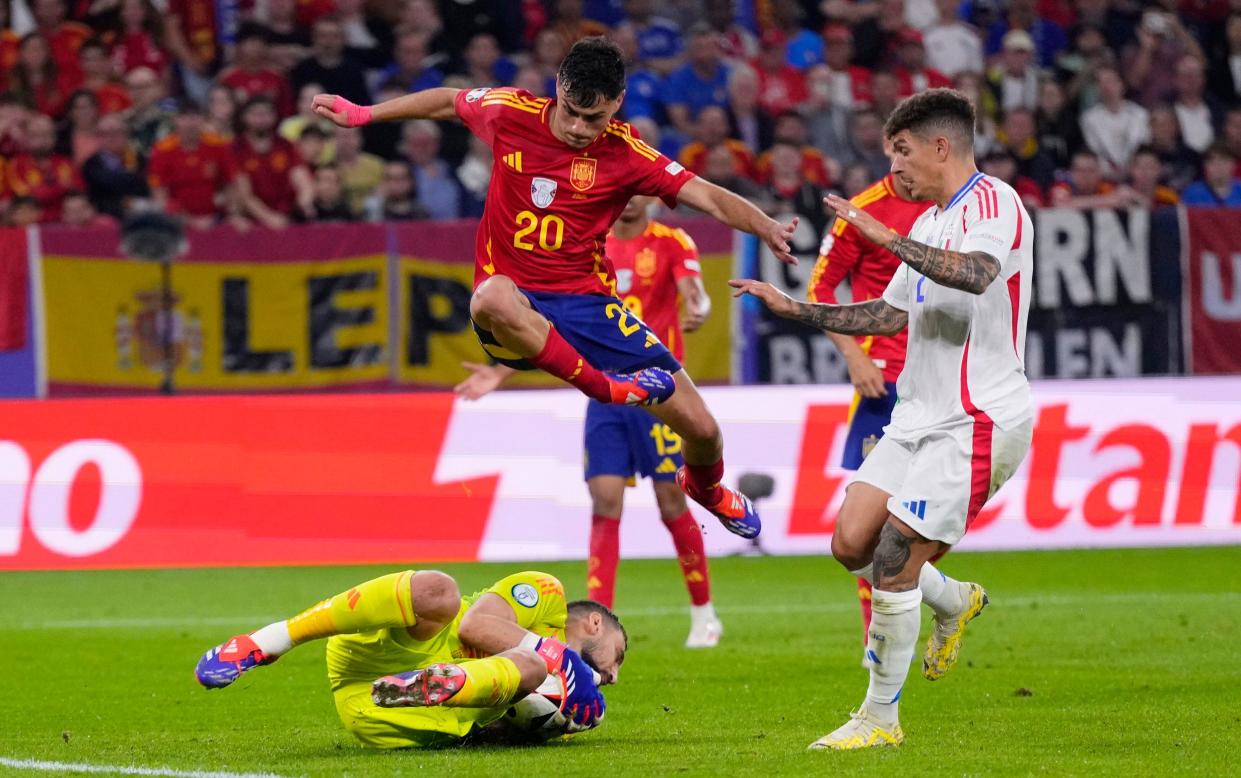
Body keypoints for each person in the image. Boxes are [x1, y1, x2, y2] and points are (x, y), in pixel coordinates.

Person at [312, 37, 797, 539]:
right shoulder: (509, 111)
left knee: (702, 428)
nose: (578, 128)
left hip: (588, 302)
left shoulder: (628, 153)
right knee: (490, 295)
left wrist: (765, 226)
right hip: (516, 303)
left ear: (618, 104)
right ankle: (608, 389)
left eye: (595, 119)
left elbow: (707, 196)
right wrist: (364, 114)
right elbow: (446, 100)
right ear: (557, 90)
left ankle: (711, 491)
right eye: (571, 112)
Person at [731, 88, 1033, 749]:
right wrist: (796, 310)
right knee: (850, 544)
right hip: (914, 416)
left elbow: (978, 274)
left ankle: (878, 720)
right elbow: (889, 314)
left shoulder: (993, 204)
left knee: (894, 558)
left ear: (940, 147)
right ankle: (952, 599)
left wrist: (885, 236)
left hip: (977, 417)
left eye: (901, 151)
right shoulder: (925, 223)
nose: (893, 166)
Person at [455, 195, 722, 648]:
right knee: (603, 501)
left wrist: (699, 305)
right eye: (624, 194)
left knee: (671, 502)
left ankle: (704, 614)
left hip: (654, 390)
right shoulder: (587, 247)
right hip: (604, 392)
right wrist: (500, 371)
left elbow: (695, 289)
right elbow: (547, 326)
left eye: (640, 193)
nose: (631, 202)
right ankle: (598, 619)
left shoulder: (671, 241)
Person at [194, 569, 620, 747]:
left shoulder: (572, 694)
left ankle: (444, 683)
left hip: (385, 709)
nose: (615, 676)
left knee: (530, 670)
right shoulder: (546, 594)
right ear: (596, 625)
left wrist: (545, 723)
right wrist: (558, 656)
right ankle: (268, 641)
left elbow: (500, 737)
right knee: (440, 593)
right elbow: (475, 627)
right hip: (389, 649)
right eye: (618, 657)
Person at [806, 171, 931, 654]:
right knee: (872, 523)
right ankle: (875, 637)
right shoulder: (863, 211)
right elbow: (820, 287)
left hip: (941, 381)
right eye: (895, 151)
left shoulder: (954, 207)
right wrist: (855, 355)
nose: (903, 165)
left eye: (909, 152)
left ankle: (930, 607)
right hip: (883, 381)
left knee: (926, 517)